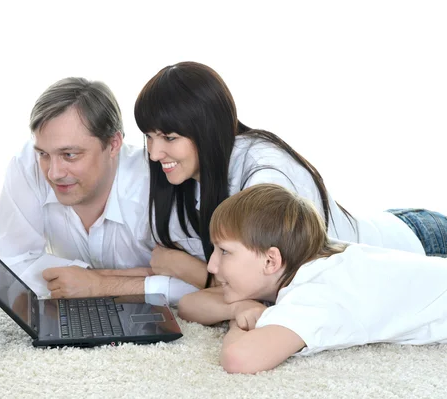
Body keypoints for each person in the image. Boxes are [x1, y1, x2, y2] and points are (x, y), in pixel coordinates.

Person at [134, 61, 447, 293]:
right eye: (149, 137)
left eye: (170, 138)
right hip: (388, 229)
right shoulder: (188, 177)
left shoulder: (265, 176)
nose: (154, 153)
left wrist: (194, 273)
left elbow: (272, 287)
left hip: (421, 244)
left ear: (207, 129)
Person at [181, 183, 447, 374]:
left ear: (271, 261)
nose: (212, 265)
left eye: (225, 252)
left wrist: (239, 324)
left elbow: (239, 359)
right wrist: (241, 307)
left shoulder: (316, 295)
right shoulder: (305, 264)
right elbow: (188, 305)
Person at [0, 77, 197, 305]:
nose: (53, 173)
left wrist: (98, 285)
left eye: (70, 155)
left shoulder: (159, 182)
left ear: (114, 144)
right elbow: (8, 263)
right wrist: (89, 278)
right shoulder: (27, 165)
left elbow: (206, 283)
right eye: (44, 154)